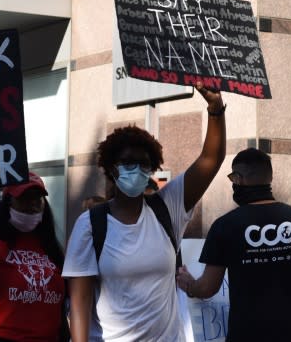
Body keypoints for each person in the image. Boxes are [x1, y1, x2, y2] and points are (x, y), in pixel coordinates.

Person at [62, 82, 226, 342]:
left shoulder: (168, 208)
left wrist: (216, 110)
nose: (136, 169)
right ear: (111, 168)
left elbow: (210, 160)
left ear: (152, 168)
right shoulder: (91, 224)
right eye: (128, 162)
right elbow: (79, 300)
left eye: (143, 164)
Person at [175, 148, 291, 342]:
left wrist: (190, 285)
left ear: (238, 179)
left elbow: (208, 288)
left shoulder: (225, 226)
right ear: (269, 178)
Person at [0, 171, 66, 341]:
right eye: (23, 198)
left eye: (37, 199)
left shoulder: (52, 248)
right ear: (8, 203)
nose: (31, 204)